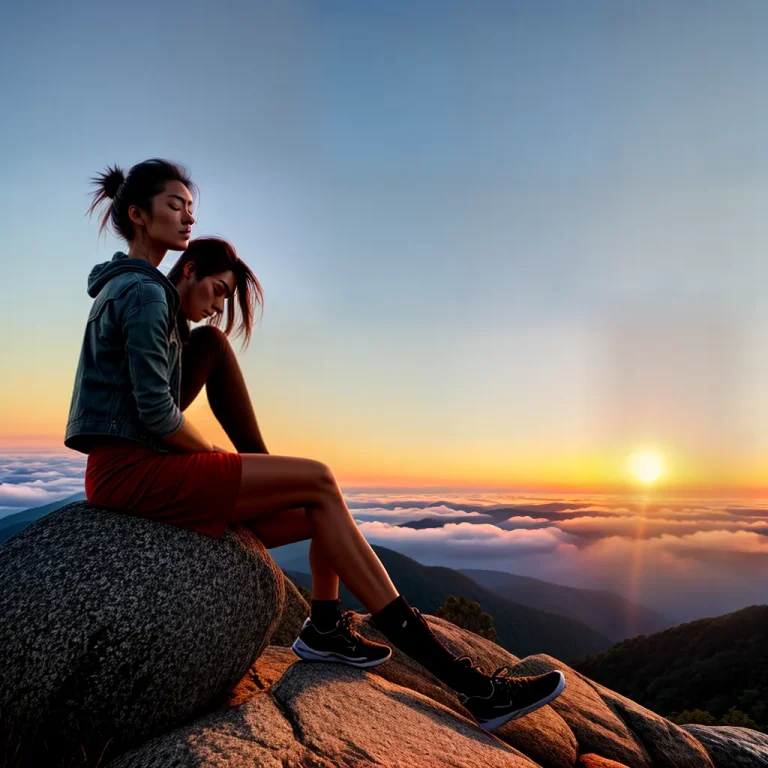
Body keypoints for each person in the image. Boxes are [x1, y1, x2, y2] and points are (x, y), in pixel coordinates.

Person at [64, 158, 566, 732]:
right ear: (138, 214)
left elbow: (150, 395)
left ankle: (325, 627)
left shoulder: (131, 291)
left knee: (316, 505)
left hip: (130, 471)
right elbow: (156, 413)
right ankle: (468, 685)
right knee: (320, 477)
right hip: (133, 473)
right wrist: (229, 464)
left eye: (190, 208)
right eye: (175, 206)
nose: (186, 216)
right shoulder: (146, 294)